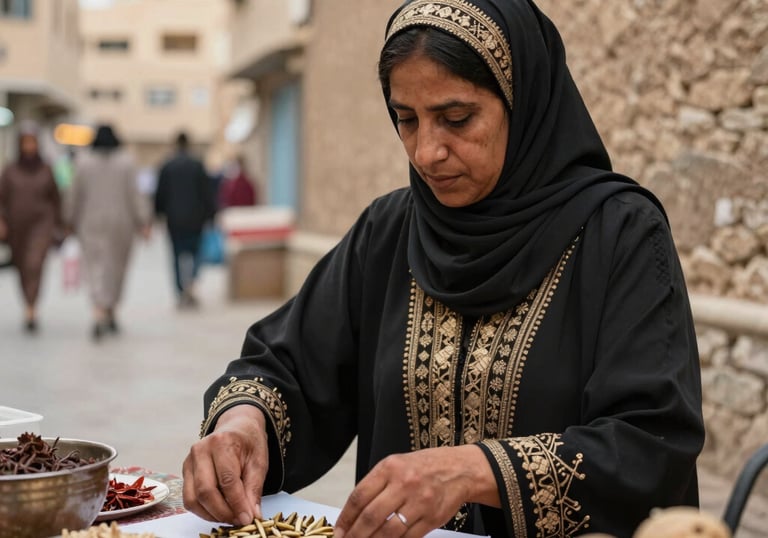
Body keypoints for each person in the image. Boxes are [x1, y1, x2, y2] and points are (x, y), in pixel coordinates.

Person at [182, 1, 704, 536]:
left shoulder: (620, 234)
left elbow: (649, 442)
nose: (427, 152)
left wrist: (475, 470)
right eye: (406, 120)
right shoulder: (390, 232)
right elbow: (289, 364)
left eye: (457, 119)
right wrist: (243, 423)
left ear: (522, 104)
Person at [64, 124, 151, 341]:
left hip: (90, 224)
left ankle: (99, 310)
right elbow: (136, 195)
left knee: (94, 266)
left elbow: (73, 194)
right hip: (121, 224)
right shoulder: (127, 162)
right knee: (117, 268)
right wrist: (144, 221)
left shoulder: (83, 162)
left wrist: (68, 219)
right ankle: (109, 309)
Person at [0, 126, 63, 332]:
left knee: (34, 263)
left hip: (41, 224)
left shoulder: (46, 169)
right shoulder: (10, 170)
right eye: (26, 142)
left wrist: (61, 225)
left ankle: (31, 308)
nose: (29, 146)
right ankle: (28, 302)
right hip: (17, 226)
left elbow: (56, 199)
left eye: (32, 142)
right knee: (22, 266)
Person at [154, 131, 214, 308]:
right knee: (196, 254)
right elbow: (207, 193)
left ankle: (181, 289)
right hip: (196, 219)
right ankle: (191, 285)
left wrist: (158, 214)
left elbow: (160, 194)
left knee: (176, 256)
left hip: (174, 219)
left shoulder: (167, 166)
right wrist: (211, 215)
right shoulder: (197, 165)